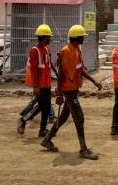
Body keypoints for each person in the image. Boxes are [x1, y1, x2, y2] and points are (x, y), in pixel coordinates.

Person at [41, 25, 103, 160]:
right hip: (68, 91)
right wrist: (59, 93)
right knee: (79, 119)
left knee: (63, 117)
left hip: (73, 89)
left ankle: (47, 139)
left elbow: (80, 70)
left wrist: (94, 82)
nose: (84, 38)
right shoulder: (66, 52)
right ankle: (83, 149)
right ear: (77, 37)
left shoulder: (76, 50)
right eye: (82, 36)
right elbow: (61, 74)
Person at [18, 24, 56, 137]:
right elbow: (34, 70)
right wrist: (35, 86)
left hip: (47, 83)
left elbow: (49, 64)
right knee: (42, 106)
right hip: (40, 84)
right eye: (49, 37)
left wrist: (57, 73)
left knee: (45, 106)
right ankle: (24, 120)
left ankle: (42, 129)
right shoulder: (34, 51)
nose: (50, 39)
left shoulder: (46, 49)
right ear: (44, 37)